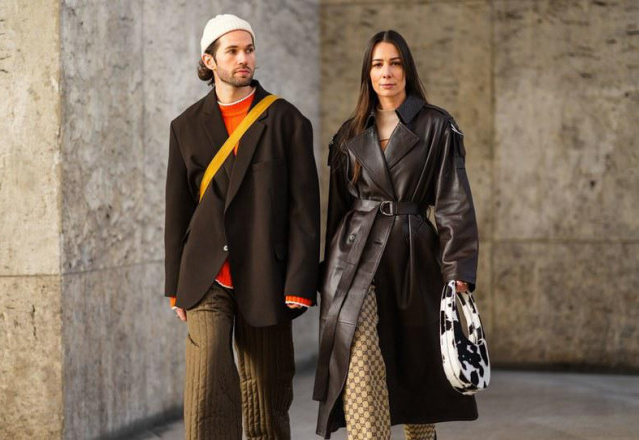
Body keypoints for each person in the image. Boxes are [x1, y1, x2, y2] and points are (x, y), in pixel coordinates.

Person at [313, 30, 479, 440]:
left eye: (394, 63)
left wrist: (458, 267)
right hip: (355, 258)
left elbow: (453, 200)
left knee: (416, 365)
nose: (386, 72)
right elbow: (338, 212)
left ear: (407, 69)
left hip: (413, 255)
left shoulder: (437, 125)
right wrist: (327, 273)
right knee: (359, 355)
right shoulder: (349, 133)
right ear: (367, 73)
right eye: (377, 64)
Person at [164, 14, 320, 440]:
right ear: (209, 60)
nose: (243, 58)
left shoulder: (287, 120)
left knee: (267, 392)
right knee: (207, 386)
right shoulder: (185, 127)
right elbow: (177, 211)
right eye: (232, 51)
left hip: (266, 274)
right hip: (205, 276)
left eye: (248, 49)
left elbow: (304, 210)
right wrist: (175, 285)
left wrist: (301, 283)